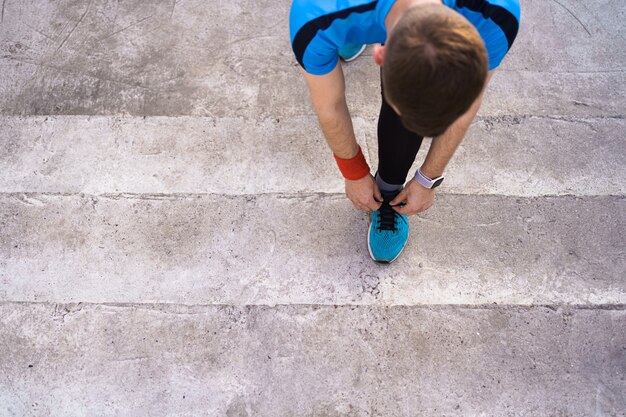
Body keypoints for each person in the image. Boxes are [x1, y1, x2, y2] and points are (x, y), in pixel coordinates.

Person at [289, 0, 520, 263]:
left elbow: (467, 101)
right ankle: (348, 34)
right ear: (381, 54)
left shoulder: (495, 17)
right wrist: (353, 172)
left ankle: (389, 187)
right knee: (334, 32)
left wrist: (428, 178)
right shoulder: (317, 17)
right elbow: (329, 106)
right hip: (344, 16)